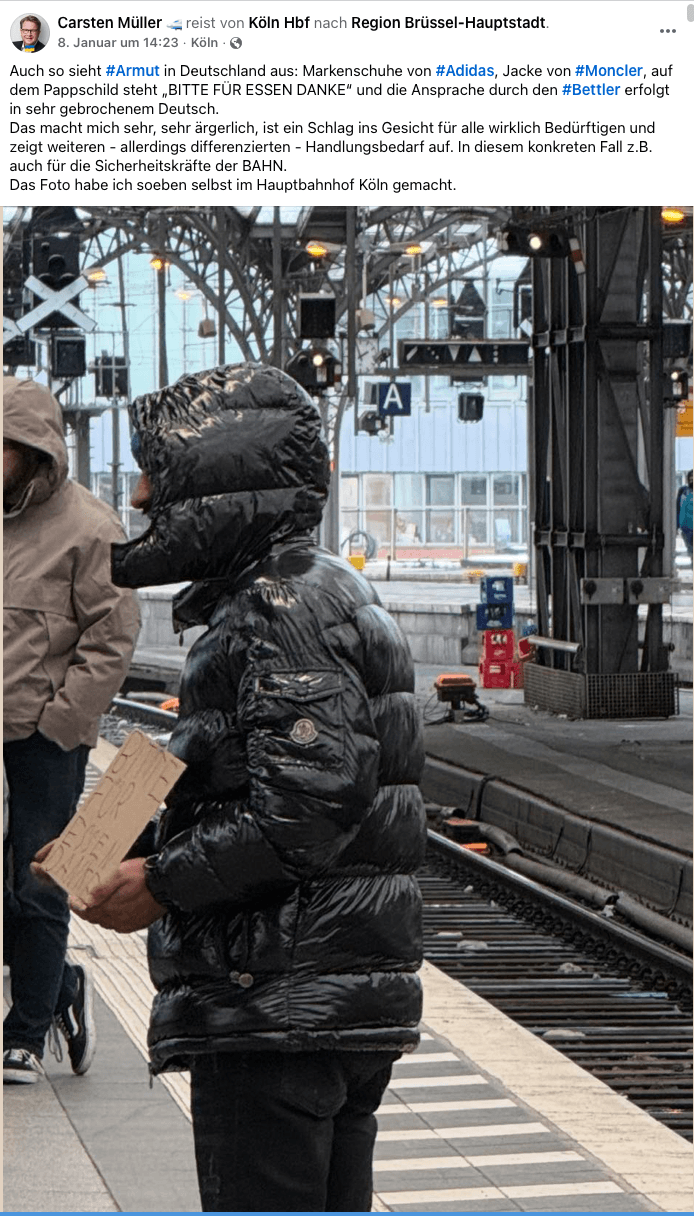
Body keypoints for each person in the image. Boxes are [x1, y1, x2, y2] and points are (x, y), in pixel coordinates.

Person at [73, 362, 426, 1213]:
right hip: (323, 994)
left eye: (165, 474)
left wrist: (159, 882)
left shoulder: (277, 609)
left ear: (226, 486)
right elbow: (222, 754)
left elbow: (304, 809)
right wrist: (96, 842)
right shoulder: (309, 593)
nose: (146, 494)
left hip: (275, 1001)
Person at [4, 377, 140, 1085]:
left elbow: (112, 638)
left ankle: (24, 1033)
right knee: (6, 891)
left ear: (31, 450)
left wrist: (63, 720)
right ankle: (61, 988)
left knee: (44, 879)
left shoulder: (91, 525)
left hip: (46, 737)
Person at [676, 470, 693, 562]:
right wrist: (676, 526)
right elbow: (677, 508)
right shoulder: (683, 491)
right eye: (690, 478)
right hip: (686, 529)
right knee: (691, 553)